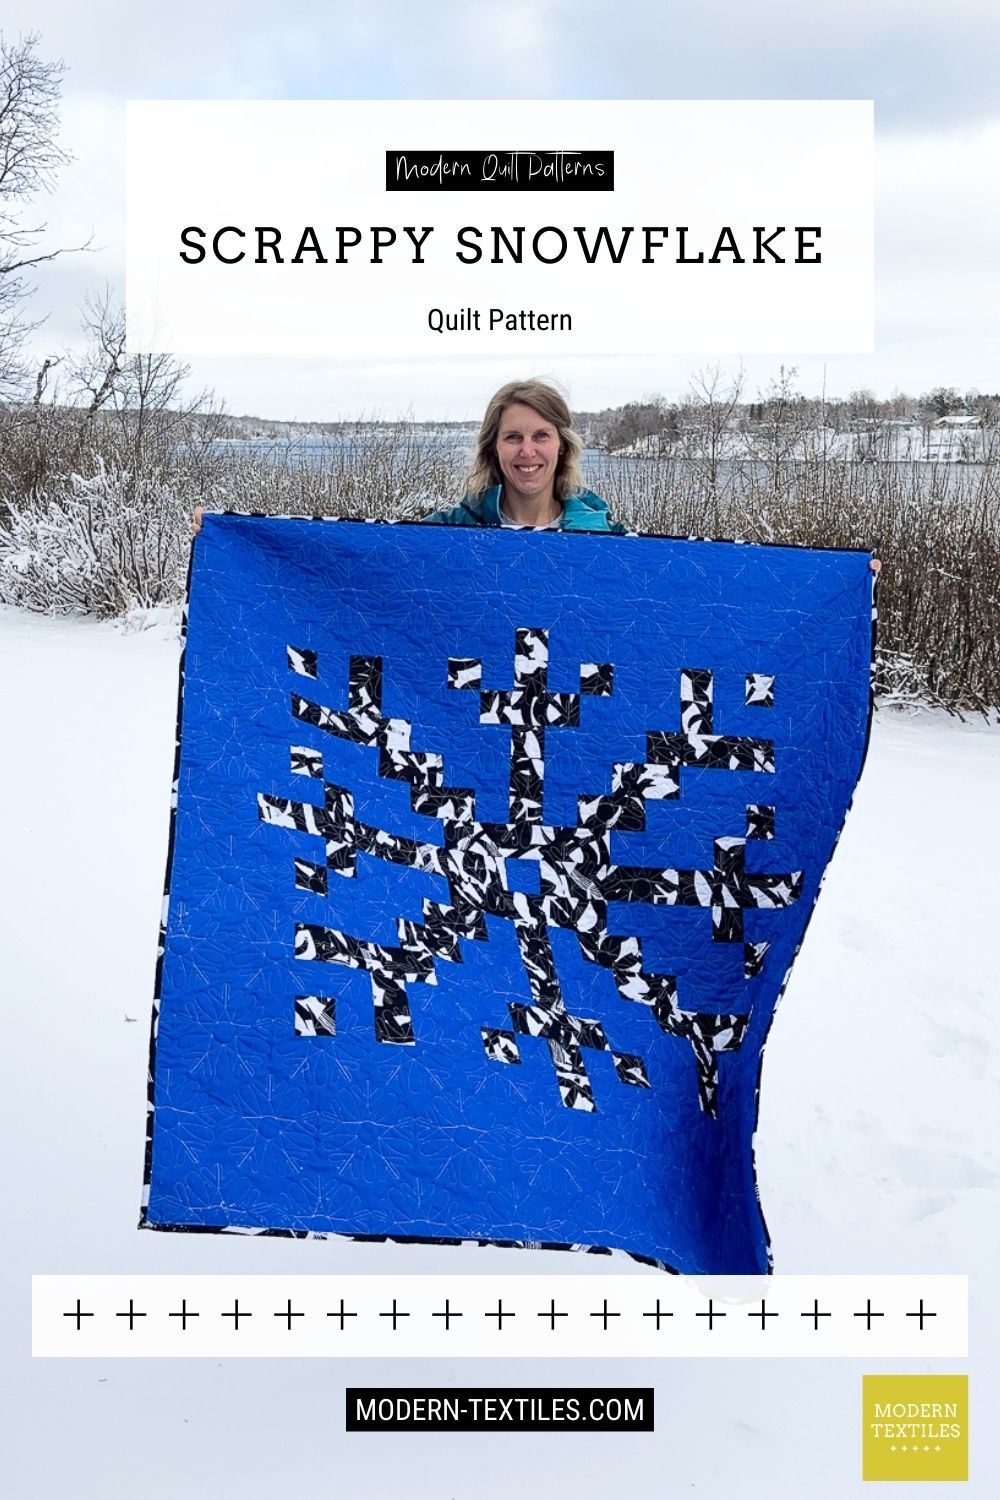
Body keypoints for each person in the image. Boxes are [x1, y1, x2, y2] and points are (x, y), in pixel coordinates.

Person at [422, 379, 624, 532]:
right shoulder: (446, 531)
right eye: (513, 437)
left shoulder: (605, 535)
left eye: (541, 436)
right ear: (493, 447)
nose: (527, 451)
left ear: (562, 444)